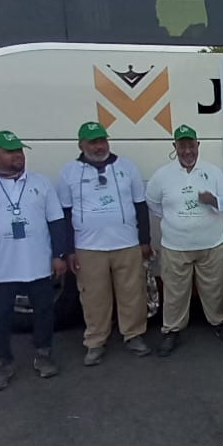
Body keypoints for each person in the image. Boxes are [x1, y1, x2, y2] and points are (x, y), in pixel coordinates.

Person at [0, 130, 69, 389]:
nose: (18, 156)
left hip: (38, 264)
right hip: (0, 268)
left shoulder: (41, 183)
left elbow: (56, 222)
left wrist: (59, 255)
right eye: (10, 151)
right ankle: (2, 364)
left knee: (44, 313)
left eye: (19, 150)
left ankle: (44, 355)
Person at [57, 122, 153, 367]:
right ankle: (95, 341)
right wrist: (68, 250)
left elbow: (140, 206)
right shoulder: (69, 172)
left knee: (132, 292)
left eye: (102, 140)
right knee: (93, 297)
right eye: (93, 142)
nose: (99, 146)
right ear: (81, 145)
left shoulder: (127, 167)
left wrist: (144, 241)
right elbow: (65, 213)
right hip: (88, 247)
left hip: (127, 243)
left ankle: (133, 334)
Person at [145, 125, 223, 357]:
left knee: (214, 288)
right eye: (182, 145)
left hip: (210, 244)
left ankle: (219, 322)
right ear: (174, 146)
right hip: (175, 246)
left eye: (191, 145)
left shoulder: (213, 172)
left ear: (198, 145)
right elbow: (153, 203)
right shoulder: (162, 175)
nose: (187, 150)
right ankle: (172, 330)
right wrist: (175, 221)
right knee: (175, 292)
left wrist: (213, 200)